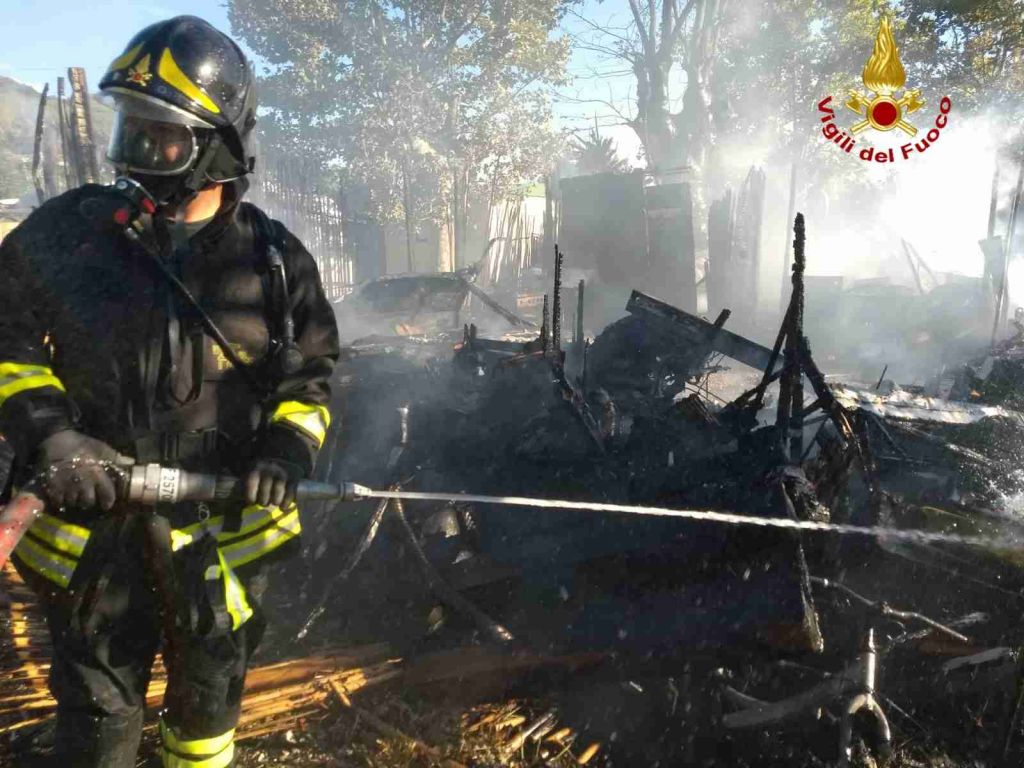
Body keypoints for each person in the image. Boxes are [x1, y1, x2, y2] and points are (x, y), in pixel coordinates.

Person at [0, 16, 340, 768]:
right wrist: (50, 433)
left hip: (219, 540)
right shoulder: (73, 236)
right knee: (97, 710)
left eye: (162, 138)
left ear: (218, 145)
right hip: (94, 535)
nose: (137, 156)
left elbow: (310, 381)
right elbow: (6, 338)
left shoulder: (275, 264)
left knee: (208, 704)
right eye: (130, 131)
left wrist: (287, 448)